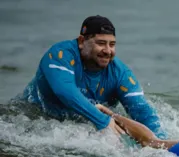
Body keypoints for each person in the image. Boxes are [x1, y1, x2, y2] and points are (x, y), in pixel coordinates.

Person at [21, 15, 166, 138]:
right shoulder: (59, 55)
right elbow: (64, 91)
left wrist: (161, 141)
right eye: (101, 43)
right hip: (29, 120)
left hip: (77, 126)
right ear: (81, 42)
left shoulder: (119, 73)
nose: (108, 51)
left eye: (112, 44)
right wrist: (103, 121)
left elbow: (141, 110)